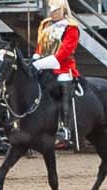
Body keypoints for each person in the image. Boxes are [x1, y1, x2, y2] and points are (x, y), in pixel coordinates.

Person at [33, 2, 81, 140]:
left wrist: (41, 63)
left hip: (63, 67)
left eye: (55, 10)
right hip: (44, 64)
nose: (52, 13)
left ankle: (64, 127)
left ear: (63, 10)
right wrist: (36, 57)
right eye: (50, 10)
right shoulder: (45, 24)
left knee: (63, 84)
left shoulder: (71, 27)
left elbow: (65, 51)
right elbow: (41, 45)